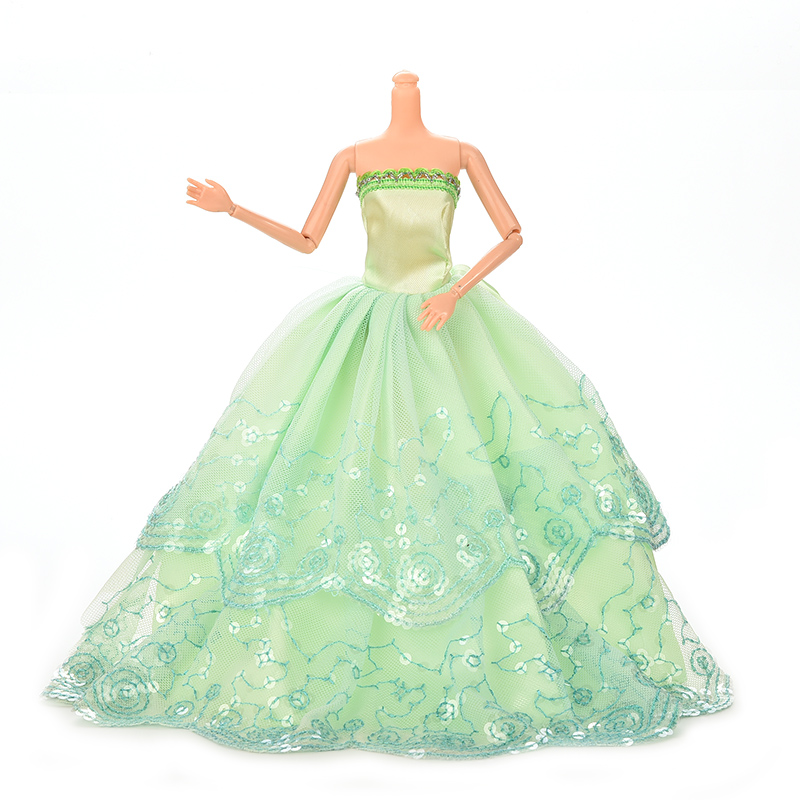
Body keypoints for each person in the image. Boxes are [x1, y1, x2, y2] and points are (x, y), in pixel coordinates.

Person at [42, 71, 732, 758]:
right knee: (336, 468)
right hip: (368, 327)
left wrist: (455, 291)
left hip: (445, 318)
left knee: (473, 463)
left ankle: (491, 638)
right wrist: (235, 209)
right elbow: (308, 239)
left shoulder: (461, 153)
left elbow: (513, 233)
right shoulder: (352, 157)